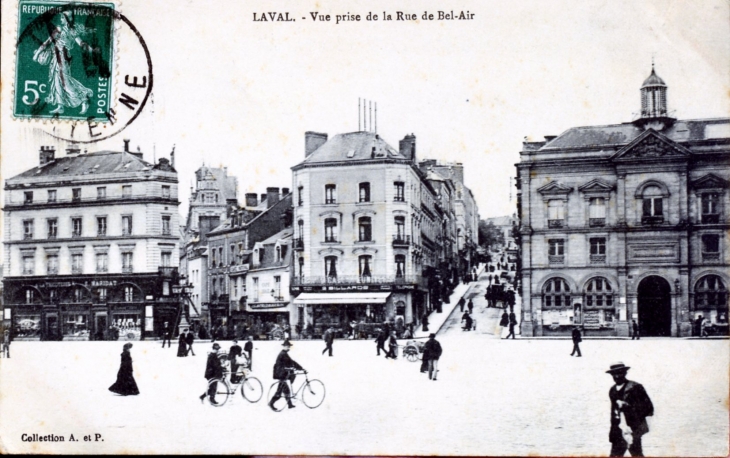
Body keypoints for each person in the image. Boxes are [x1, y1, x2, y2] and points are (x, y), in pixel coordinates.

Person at [32, 12, 95, 115]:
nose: (61, 19)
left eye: (62, 17)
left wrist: (91, 49)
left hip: (64, 58)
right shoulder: (59, 29)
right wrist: (37, 53)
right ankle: (60, 106)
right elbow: (47, 42)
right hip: (55, 58)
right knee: (57, 81)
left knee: (65, 81)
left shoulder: (72, 31)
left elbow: (81, 43)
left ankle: (84, 99)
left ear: (67, 19)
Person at [607, 362, 654, 457]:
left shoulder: (635, 387)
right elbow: (614, 413)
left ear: (625, 373)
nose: (616, 376)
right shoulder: (612, 390)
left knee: (636, 454)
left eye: (619, 373)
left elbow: (649, 409)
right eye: (614, 374)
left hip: (634, 430)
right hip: (618, 431)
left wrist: (628, 406)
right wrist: (613, 431)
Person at [269, 340, 304, 410]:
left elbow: (290, 362)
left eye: (289, 347)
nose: (288, 348)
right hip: (281, 373)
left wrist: (298, 368)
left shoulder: (284, 353)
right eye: (287, 346)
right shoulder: (283, 354)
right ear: (284, 346)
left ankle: (290, 404)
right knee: (280, 391)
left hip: (281, 373)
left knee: (285, 390)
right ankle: (271, 403)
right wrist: (300, 368)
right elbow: (291, 362)